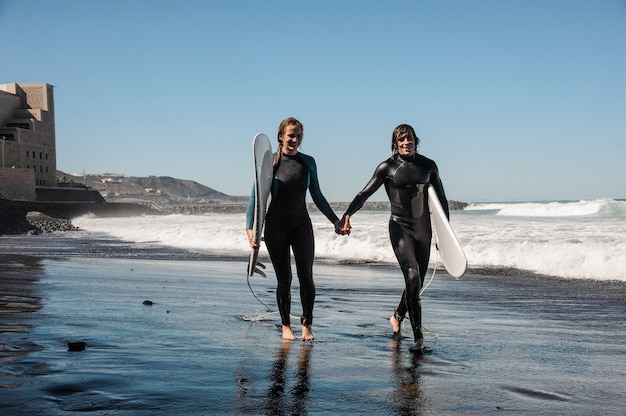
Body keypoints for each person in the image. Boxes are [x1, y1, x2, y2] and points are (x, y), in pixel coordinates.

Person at [339, 124, 449, 354]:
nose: (406, 143)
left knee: (414, 282)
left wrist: (445, 236)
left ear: (415, 140)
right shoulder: (387, 167)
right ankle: (418, 338)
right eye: (401, 140)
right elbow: (364, 194)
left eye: (409, 139)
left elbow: (442, 200)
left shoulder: (428, 166)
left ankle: (397, 316)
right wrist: (347, 215)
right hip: (399, 228)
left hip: (424, 230)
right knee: (412, 275)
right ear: (395, 143)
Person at [246, 117, 345, 341]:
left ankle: (307, 323)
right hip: (275, 228)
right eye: (291, 135)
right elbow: (256, 196)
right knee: (284, 279)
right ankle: (285, 326)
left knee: (306, 277)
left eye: (299, 135)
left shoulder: (308, 163)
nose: (295, 139)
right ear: (281, 136)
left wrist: (335, 221)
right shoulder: (269, 163)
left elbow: (317, 195)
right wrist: (250, 228)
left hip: (301, 226)